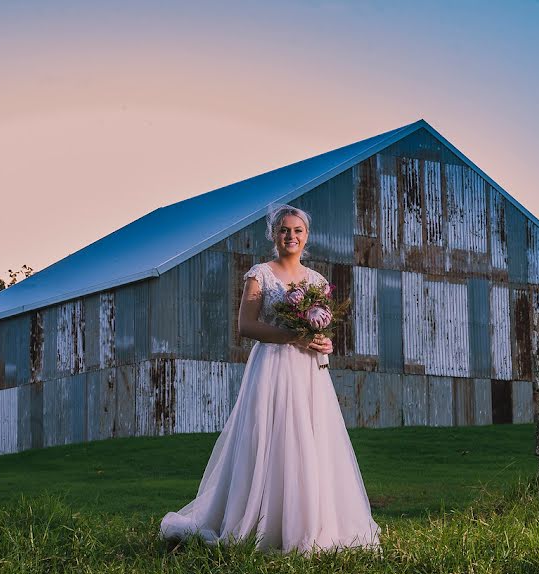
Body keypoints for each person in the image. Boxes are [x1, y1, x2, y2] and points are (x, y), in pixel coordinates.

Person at [160, 204, 381, 554]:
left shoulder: (317, 281)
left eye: (297, 230)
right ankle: (258, 519)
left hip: (309, 372)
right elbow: (246, 326)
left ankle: (306, 522)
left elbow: (321, 328)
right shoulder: (260, 274)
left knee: (309, 438)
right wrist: (290, 337)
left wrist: (324, 342)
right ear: (274, 235)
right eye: (284, 230)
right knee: (269, 436)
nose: (290, 236)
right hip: (272, 367)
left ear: (306, 237)